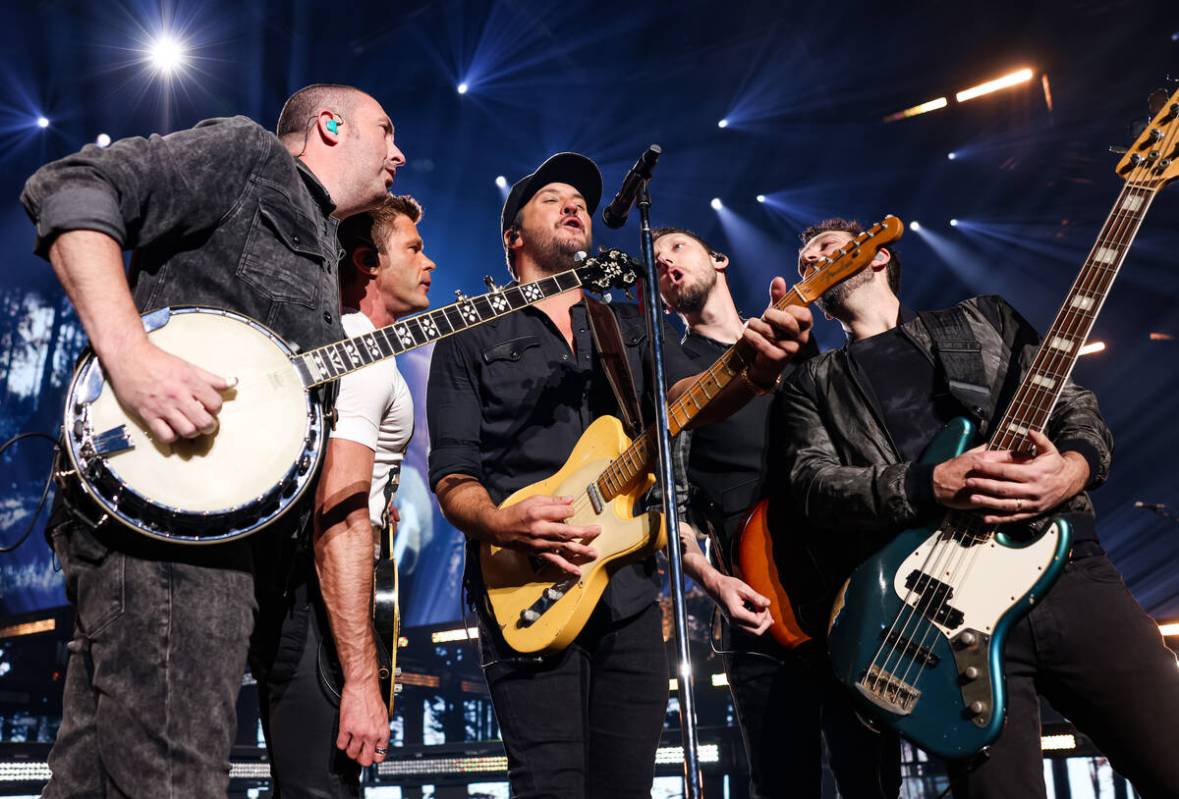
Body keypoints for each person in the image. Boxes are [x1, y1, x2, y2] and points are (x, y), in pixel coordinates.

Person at [20, 83, 405, 796]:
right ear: (328, 125)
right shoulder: (247, 155)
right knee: (178, 776)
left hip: (210, 538)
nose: (398, 151)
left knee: (93, 775)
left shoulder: (322, 245)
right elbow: (71, 185)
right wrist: (130, 356)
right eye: (383, 130)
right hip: (176, 530)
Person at [425, 152, 813, 798]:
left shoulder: (626, 325)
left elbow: (683, 402)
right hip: (526, 584)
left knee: (625, 785)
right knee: (550, 784)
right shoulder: (468, 337)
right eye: (552, 196)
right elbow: (452, 474)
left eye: (579, 198)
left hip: (629, 591)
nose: (573, 203)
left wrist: (753, 368)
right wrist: (498, 519)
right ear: (513, 236)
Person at [781, 217, 1179, 798]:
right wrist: (926, 484)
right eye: (804, 262)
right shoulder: (814, 381)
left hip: (1066, 570)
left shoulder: (981, 319)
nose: (813, 262)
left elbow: (1075, 406)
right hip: (941, 611)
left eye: (827, 249)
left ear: (877, 255)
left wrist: (1071, 469)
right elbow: (813, 485)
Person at [652, 226, 899, 798]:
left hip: (847, 591)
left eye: (678, 248)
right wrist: (711, 581)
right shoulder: (669, 369)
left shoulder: (801, 346)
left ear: (717, 259)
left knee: (875, 778)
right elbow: (665, 504)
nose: (665, 261)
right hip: (757, 602)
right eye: (656, 258)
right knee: (784, 783)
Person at [258, 195, 433, 796]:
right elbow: (338, 514)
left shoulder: (359, 349)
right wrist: (359, 679)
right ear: (367, 262)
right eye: (413, 249)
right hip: (323, 606)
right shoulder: (362, 357)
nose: (428, 262)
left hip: (320, 603)